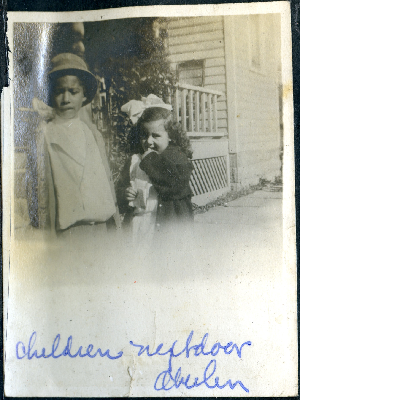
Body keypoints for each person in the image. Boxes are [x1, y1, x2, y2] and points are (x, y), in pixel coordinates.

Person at [33, 53, 120, 239]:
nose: (66, 99)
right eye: (59, 91)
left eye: (73, 92)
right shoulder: (46, 136)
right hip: (69, 235)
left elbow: (107, 184)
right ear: (50, 95)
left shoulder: (92, 134)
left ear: (84, 95)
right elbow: (41, 193)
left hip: (102, 230)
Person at [118, 99, 194, 250]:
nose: (148, 141)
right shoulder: (134, 160)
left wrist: (150, 159)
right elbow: (120, 186)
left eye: (156, 136)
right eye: (144, 135)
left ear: (171, 136)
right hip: (138, 228)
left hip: (165, 231)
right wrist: (124, 193)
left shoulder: (177, 158)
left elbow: (174, 184)